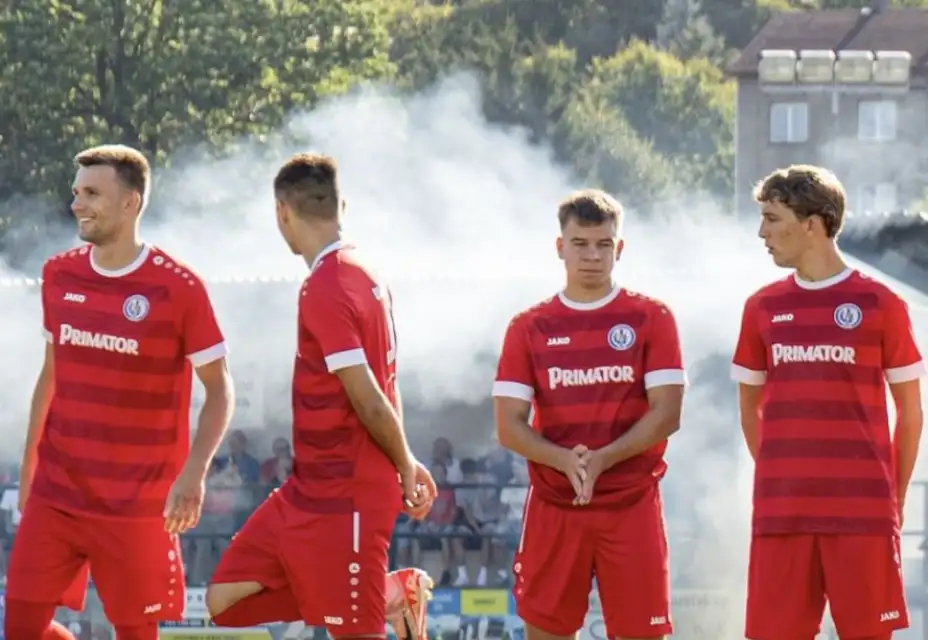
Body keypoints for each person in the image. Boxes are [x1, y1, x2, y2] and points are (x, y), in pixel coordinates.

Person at [5, 145, 234, 640]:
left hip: (137, 506)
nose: (77, 204)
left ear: (130, 203)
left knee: (135, 632)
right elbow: (51, 375)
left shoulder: (179, 287)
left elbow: (219, 389)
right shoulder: (59, 273)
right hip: (57, 495)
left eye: (92, 193)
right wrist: (29, 472)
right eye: (76, 192)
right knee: (21, 626)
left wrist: (193, 474)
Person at [205, 153, 436, 640]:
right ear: (340, 206)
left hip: (346, 493)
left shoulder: (327, 285)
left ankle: (378, 601)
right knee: (223, 600)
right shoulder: (365, 273)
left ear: (281, 213)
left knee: (353, 634)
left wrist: (404, 464)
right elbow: (383, 386)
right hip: (308, 487)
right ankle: (391, 594)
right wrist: (406, 459)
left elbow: (369, 396)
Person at [731, 164, 925, 640]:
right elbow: (749, 411)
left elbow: (911, 415)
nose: (763, 232)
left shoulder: (882, 304)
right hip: (782, 515)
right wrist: (784, 474)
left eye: (773, 218)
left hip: (863, 517)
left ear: (812, 222)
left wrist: (891, 500)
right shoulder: (761, 307)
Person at [492, 189, 686, 640]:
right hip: (555, 506)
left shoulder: (651, 317)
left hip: (631, 504)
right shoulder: (529, 326)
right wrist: (564, 460)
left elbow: (667, 413)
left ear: (619, 248)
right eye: (580, 244)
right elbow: (508, 425)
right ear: (560, 247)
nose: (592, 256)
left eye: (603, 244)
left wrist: (604, 459)